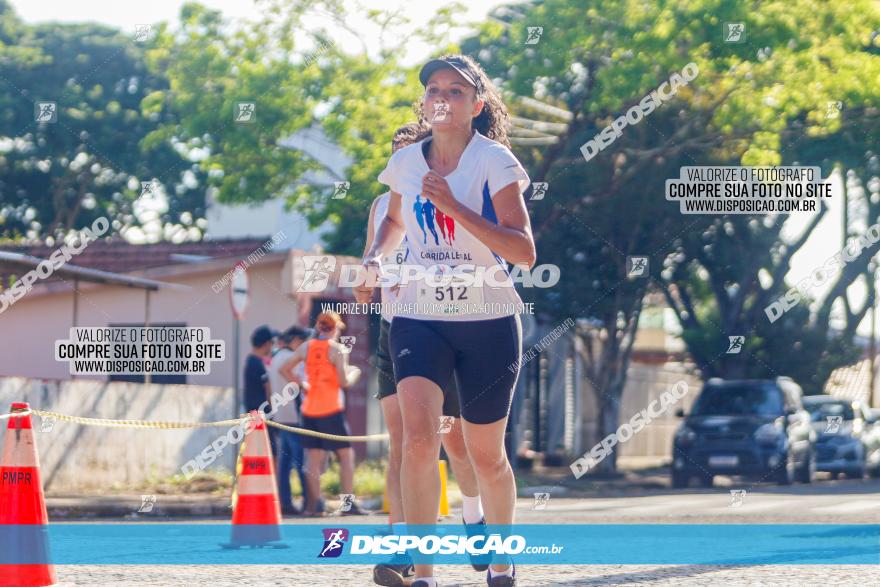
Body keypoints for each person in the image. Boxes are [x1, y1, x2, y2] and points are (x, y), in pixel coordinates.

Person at [362, 54, 535, 587]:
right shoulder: (407, 162)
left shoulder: (495, 161)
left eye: (456, 90)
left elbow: (524, 251)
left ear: (476, 105)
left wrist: (455, 206)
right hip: (418, 315)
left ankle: (501, 563)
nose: (442, 96)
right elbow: (392, 219)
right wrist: (374, 256)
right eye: (434, 88)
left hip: (486, 318)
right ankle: (422, 574)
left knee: (486, 456)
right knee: (418, 439)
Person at [356, 123, 488, 587]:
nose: (401, 166)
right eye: (395, 158)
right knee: (406, 445)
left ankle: (474, 517)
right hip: (395, 331)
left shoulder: (452, 195)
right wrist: (370, 274)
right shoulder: (382, 207)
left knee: (453, 445)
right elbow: (373, 263)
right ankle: (405, 549)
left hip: (443, 332)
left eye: (408, 156)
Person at [284, 311, 367, 516]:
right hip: (331, 410)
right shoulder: (337, 350)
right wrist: (355, 371)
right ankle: (348, 505)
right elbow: (343, 382)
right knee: (346, 457)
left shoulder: (306, 347)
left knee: (313, 459)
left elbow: (285, 369)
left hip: (309, 410)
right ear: (335, 328)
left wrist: (301, 384)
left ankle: (315, 505)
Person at [268, 325, 314, 516]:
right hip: (295, 417)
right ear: (295, 340)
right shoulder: (290, 359)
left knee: (285, 465)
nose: (303, 346)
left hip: (280, 417)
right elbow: (300, 383)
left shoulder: (275, 358)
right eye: (302, 342)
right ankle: (309, 502)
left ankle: (285, 502)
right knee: (302, 462)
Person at [243, 325, 278, 414]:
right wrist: (272, 410)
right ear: (266, 344)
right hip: (259, 415)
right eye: (272, 342)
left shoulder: (250, 361)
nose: (272, 346)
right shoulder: (258, 365)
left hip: (253, 413)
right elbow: (267, 389)